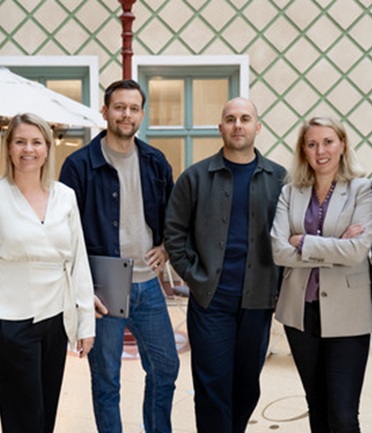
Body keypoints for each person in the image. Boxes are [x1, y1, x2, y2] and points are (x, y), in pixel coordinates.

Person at [59, 79, 180, 433]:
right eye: (119, 107)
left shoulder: (155, 162)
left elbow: (173, 217)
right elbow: (66, 233)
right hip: (103, 288)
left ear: (141, 114)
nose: (126, 114)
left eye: (133, 108)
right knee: (106, 380)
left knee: (165, 368)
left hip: (149, 285)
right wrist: (82, 290)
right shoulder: (79, 165)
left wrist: (166, 247)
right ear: (105, 111)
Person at [0, 113, 95, 433]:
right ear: (9, 147)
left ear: (48, 148)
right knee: (22, 419)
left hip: (56, 318)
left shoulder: (65, 196)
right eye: (20, 141)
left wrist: (85, 322)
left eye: (37, 142)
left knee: (45, 415)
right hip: (9, 320)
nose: (28, 149)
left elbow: (78, 261)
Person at [164, 97, 286, 433]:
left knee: (247, 386)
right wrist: (194, 275)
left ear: (257, 127)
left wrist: (279, 286)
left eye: (245, 118)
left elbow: (290, 234)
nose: (237, 125)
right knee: (211, 388)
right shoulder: (195, 177)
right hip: (211, 301)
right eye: (230, 119)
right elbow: (174, 232)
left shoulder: (278, 178)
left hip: (258, 301)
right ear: (220, 128)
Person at [270, 116, 372, 432]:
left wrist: (303, 242)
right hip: (300, 313)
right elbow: (278, 250)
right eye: (312, 144)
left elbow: (357, 251)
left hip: (349, 314)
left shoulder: (362, 189)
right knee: (316, 405)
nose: (321, 151)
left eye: (328, 142)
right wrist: (335, 246)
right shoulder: (291, 192)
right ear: (303, 150)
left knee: (343, 414)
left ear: (342, 144)